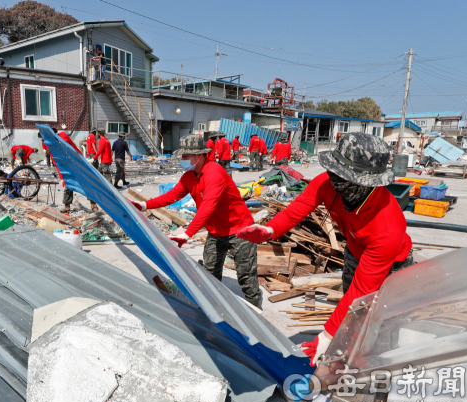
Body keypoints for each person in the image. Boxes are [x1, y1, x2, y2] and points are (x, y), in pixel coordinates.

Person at [236, 133, 414, 366]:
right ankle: (347, 351)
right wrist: (270, 231)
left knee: (382, 323)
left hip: (392, 267)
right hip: (355, 251)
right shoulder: (329, 183)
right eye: (333, 170)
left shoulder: (387, 227)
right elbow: (298, 208)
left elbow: (362, 290)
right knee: (354, 315)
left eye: (343, 175)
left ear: (366, 181)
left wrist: (327, 333)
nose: (333, 177)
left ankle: (377, 369)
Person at [128, 135, 261, 307]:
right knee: (210, 272)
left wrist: (186, 234)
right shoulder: (189, 176)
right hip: (216, 231)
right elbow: (172, 196)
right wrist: (144, 205)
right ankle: (213, 306)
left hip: (240, 229)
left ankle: (255, 309)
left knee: (246, 275)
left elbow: (208, 207)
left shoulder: (214, 173)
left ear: (198, 156)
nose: (181, 160)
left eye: (185, 157)